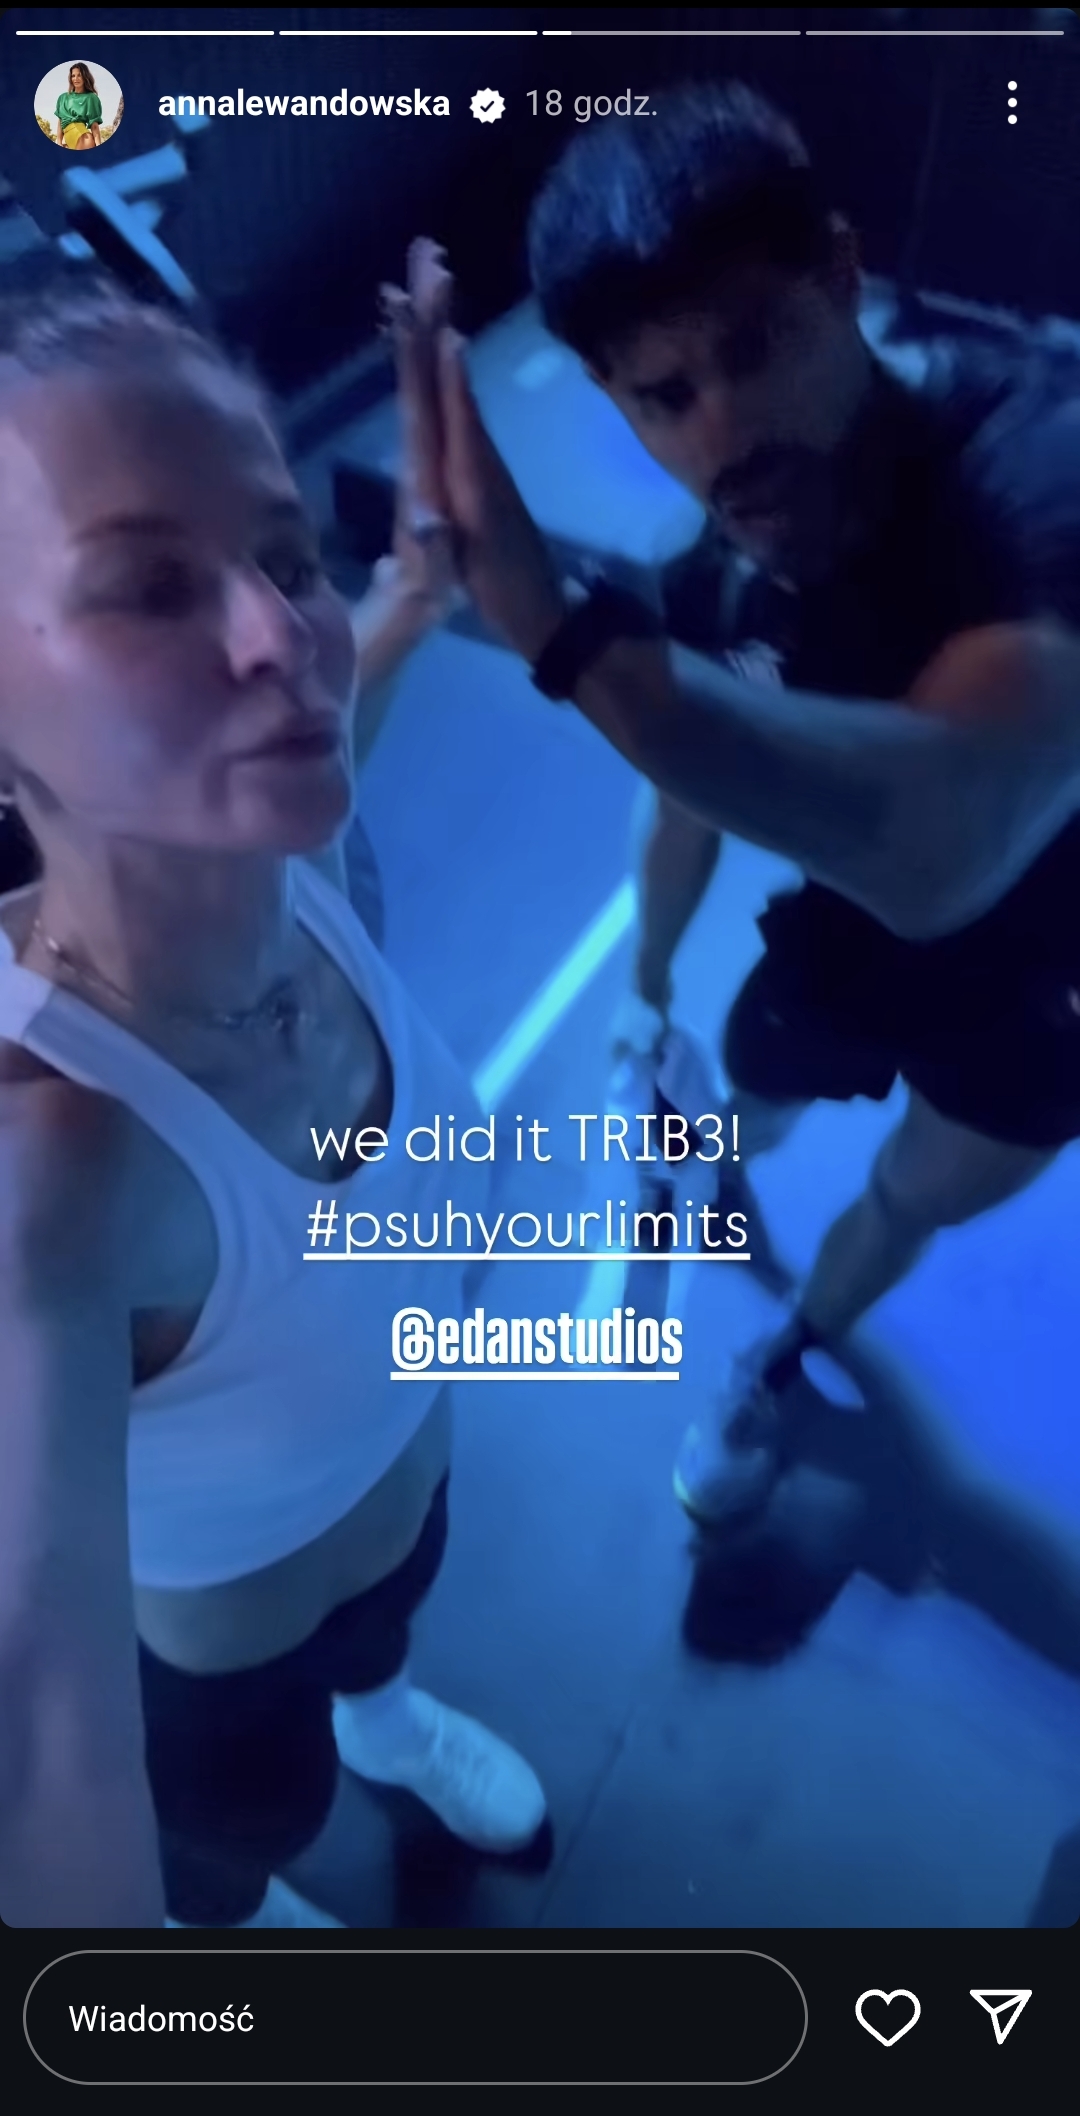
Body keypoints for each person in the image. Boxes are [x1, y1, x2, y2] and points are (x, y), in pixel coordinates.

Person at [406, 81, 1080, 1535]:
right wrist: (644, 994)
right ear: (615, 401)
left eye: (755, 347)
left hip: (1044, 983)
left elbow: (945, 845)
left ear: (839, 278)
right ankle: (718, 1156)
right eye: (665, 395)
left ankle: (777, 1361)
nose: (727, 433)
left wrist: (561, 632)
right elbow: (682, 798)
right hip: (841, 948)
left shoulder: (1040, 475)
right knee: (750, 1103)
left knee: (906, 1198)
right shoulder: (715, 578)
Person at [0, 262, 546, 1931]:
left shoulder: (297, 853)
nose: (279, 641)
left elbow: (355, 658)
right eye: (150, 586)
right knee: (237, 1846)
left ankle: (389, 1720)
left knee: (384, 1640)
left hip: (404, 1492)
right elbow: (49, 1757)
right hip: (218, 1681)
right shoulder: (54, 1166)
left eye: (284, 557)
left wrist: (414, 577)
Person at [54, 63, 103, 151]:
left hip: (84, 138)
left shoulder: (91, 97)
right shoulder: (63, 97)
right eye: (73, 76)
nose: (76, 79)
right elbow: (60, 121)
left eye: (79, 75)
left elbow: (94, 125)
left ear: (85, 77)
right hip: (67, 138)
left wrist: (99, 147)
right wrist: (59, 142)